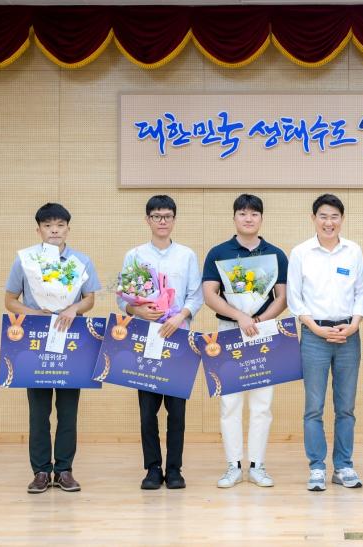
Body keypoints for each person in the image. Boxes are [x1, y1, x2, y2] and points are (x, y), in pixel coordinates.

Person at [5, 203, 101, 494]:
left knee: (68, 411)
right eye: (47, 225)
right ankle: (41, 472)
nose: (54, 230)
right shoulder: (25, 260)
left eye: (59, 225)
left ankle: (64, 470)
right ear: (38, 230)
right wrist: (35, 313)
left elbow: (90, 298)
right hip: (35, 339)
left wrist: (73, 308)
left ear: (68, 229)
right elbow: (10, 300)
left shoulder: (81, 261)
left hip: (72, 340)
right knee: (38, 411)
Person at [202, 194, 288, 488]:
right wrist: (239, 316)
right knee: (230, 403)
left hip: (264, 331)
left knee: (262, 403)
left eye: (254, 214)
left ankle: (257, 465)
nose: (248, 218)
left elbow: (282, 297)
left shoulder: (276, 254)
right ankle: (233, 465)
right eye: (242, 213)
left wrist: (259, 320)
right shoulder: (219, 252)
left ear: (261, 218)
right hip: (229, 330)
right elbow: (209, 294)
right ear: (234, 217)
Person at [118, 195, 203, 490]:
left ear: (174, 220)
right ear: (148, 220)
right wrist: (138, 311)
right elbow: (122, 300)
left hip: (177, 337)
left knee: (177, 412)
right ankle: (153, 468)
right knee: (147, 411)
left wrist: (180, 317)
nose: (162, 221)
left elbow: (196, 295)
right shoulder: (134, 255)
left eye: (167, 216)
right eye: (156, 216)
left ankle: (175, 469)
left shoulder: (187, 255)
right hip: (146, 338)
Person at [287, 194, 363, 491]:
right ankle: (317, 467)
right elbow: (295, 298)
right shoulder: (300, 253)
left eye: (334, 216)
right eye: (323, 216)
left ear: (342, 219)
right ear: (313, 219)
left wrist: (354, 325)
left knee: (345, 407)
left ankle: (344, 466)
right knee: (314, 407)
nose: (329, 222)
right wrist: (316, 329)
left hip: (349, 334)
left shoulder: (353, 251)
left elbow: (362, 292)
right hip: (314, 336)